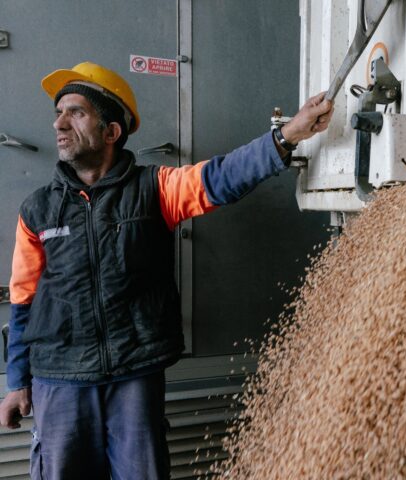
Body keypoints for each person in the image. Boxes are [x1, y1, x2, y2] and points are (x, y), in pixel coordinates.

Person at [0, 61, 333, 479]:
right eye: (58, 112)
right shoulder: (37, 209)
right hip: (60, 379)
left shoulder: (154, 188)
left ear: (111, 132)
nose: (59, 123)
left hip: (134, 377)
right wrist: (17, 383)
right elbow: (23, 299)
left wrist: (287, 136)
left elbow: (221, 177)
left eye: (76, 112)